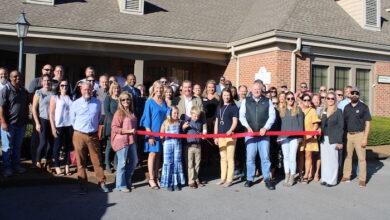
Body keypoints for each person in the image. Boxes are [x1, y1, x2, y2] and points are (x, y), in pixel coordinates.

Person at [71, 82, 108, 194]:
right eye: (84, 89)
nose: (87, 91)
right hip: (79, 134)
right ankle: (82, 185)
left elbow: (98, 118)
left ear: (92, 90)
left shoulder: (97, 103)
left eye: (89, 89)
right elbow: (72, 120)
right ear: (81, 90)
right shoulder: (75, 103)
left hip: (92, 135)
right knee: (81, 162)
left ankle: (101, 183)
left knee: (97, 160)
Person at [239, 80, 276, 190]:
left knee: (265, 157)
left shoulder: (267, 101)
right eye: (255, 89)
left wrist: (266, 127)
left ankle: (267, 179)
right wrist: (247, 127)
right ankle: (250, 178)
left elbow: (272, 116)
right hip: (250, 134)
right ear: (252, 90)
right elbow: (242, 116)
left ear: (262, 90)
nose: (257, 91)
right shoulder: (246, 101)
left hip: (264, 135)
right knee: (250, 157)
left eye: (259, 89)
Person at [140, 80, 169, 190]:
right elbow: (146, 119)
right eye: (157, 88)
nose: (159, 90)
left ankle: (157, 177)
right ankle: (151, 179)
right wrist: (150, 135)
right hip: (152, 132)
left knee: (158, 155)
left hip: (162, 133)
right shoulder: (149, 102)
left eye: (161, 88)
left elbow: (167, 117)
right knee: (152, 154)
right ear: (153, 89)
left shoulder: (164, 101)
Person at [341, 87, 371, 188]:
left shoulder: (364, 107)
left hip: (360, 135)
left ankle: (362, 179)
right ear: (350, 95)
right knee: (348, 156)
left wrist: (365, 138)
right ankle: (346, 175)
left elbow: (368, 123)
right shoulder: (346, 107)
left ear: (359, 95)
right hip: (349, 135)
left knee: (361, 158)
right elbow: (344, 123)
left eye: (356, 93)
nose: (354, 95)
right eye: (352, 93)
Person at [0, 70, 29, 177]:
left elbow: (26, 106)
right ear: (10, 78)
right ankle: (7, 168)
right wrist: (3, 122)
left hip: (21, 124)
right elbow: (1, 108)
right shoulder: (5, 90)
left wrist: (26, 119)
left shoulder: (23, 90)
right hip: (9, 124)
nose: (18, 78)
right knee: (7, 147)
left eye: (19, 76)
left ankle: (16, 165)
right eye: (15, 76)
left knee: (17, 146)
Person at [111, 91, 138, 192]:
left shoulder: (131, 112)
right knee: (122, 163)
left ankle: (127, 180)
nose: (126, 101)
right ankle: (121, 185)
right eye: (123, 100)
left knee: (134, 161)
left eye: (128, 99)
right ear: (120, 101)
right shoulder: (119, 113)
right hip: (121, 141)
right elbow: (114, 128)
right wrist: (128, 131)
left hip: (132, 141)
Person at [277, 92, 304, 186]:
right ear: (285, 99)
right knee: (286, 157)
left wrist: (300, 137)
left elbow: (301, 125)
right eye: (288, 98)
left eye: (292, 98)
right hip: (284, 137)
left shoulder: (298, 110)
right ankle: (286, 175)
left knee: (292, 157)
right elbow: (278, 124)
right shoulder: (281, 110)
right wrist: (278, 137)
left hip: (295, 137)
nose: (290, 100)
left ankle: (292, 176)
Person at [214, 89, 239, 187]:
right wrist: (215, 136)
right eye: (224, 95)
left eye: (228, 95)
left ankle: (229, 179)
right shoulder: (219, 107)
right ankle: (223, 178)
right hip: (220, 136)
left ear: (230, 96)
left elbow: (235, 122)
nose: (226, 97)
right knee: (223, 158)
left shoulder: (233, 107)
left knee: (230, 158)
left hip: (230, 136)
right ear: (222, 96)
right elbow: (216, 122)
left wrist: (230, 130)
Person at [49, 79, 73, 176]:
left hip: (69, 125)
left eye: (66, 85)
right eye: (62, 85)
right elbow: (51, 113)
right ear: (59, 87)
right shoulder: (55, 97)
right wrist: (53, 127)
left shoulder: (71, 97)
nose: (64, 87)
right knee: (57, 146)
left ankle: (67, 165)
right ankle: (57, 166)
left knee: (68, 146)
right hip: (59, 125)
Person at [319, 92, 344, 187]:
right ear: (326, 99)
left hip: (333, 138)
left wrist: (340, 141)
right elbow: (321, 124)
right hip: (323, 138)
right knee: (325, 159)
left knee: (333, 160)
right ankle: (325, 178)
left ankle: (332, 180)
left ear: (335, 100)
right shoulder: (323, 110)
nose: (330, 100)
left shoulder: (338, 111)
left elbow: (341, 127)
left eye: (332, 98)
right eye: (328, 98)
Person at [32, 74, 54, 172]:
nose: (47, 82)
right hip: (42, 119)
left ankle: (47, 163)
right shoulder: (38, 92)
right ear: (42, 82)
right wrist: (37, 122)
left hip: (52, 121)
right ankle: (37, 162)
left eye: (48, 80)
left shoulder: (53, 93)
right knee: (43, 142)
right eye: (44, 80)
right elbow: (34, 108)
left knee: (51, 143)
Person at [160, 106, 185, 191]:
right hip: (168, 145)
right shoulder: (165, 122)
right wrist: (163, 141)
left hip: (177, 145)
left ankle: (176, 182)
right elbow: (161, 134)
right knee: (168, 163)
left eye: (177, 113)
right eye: (174, 113)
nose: (176, 114)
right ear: (170, 113)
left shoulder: (180, 122)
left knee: (177, 162)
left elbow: (183, 129)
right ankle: (168, 183)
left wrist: (184, 126)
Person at [299, 94, 320, 184]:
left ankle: (306, 176)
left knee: (308, 155)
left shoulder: (312, 111)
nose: (307, 101)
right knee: (300, 155)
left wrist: (312, 133)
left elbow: (316, 123)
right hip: (300, 136)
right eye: (305, 100)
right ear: (302, 101)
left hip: (309, 137)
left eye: (308, 100)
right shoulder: (299, 110)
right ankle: (300, 173)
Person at [182, 106, 204, 188]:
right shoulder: (187, 122)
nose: (196, 117)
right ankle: (191, 180)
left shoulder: (199, 123)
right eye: (195, 116)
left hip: (198, 145)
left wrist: (202, 135)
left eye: (198, 116)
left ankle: (196, 179)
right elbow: (182, 131)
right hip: (189, 146)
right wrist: (183, 127)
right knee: (190, 164)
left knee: (197, 164)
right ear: (191, 114)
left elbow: (200, 132)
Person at [103, 82, 121, 173]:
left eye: (117, 88)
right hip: (110, 125)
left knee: (118, 145)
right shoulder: (108, 98)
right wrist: (115, 121)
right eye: (114, 88)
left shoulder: (121, 98)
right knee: (109, 145)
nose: (116, 90)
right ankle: (107, 163)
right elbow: (107, 111)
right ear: (111, 89)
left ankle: (116, 162)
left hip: (120, 125)